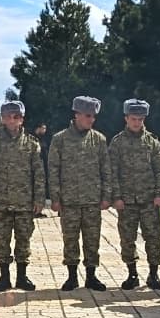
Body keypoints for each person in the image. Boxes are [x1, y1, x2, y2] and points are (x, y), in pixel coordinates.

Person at [49, 95, 112, 291]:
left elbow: (106, 170)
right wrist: (55, 198)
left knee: (92, 240)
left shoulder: (99, 140)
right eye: (87, 115)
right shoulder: (60, 139)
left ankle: (91, 276)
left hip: (92, 200)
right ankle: (72, 276)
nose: (91, 119)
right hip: (69, 200)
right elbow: (53, 170)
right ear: (76, 115)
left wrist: (106, 196)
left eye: (93, 116)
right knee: (70, 239)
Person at [0, 100, 43, 291]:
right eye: (8, 116)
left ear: (22, 119)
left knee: (24, 240)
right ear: (2, 119)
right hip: (2, 202)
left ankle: (22, 277)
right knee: (2, 240)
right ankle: (4, 277)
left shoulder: (31, 144)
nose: (12, 120)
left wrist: (39, 199)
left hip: (24, 202)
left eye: (16, 117)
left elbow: (38, 174)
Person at [109, 99, 160, 290]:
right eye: (133, 119)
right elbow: (112, 172)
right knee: (127, 238)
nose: (137, 123)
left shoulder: (152, 141)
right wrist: (116, 197)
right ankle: (132, 274)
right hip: (127, 201)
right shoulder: (118, 142)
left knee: (153, 237)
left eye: (140, 119)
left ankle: (153, 274)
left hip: (149, 199)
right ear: (126, 118)